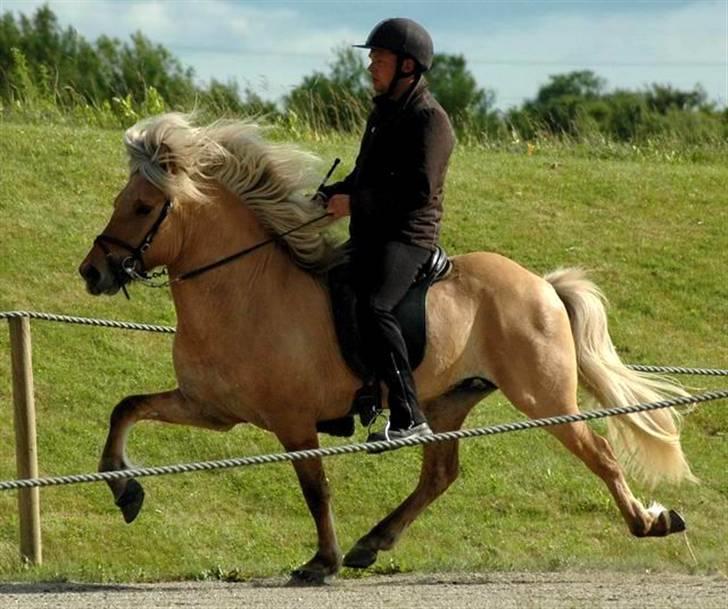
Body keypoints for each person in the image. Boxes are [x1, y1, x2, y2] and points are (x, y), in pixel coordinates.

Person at [319, 17, 455, 442]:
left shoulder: (430, 121)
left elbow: (418, 190)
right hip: (371, 235)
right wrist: (331, 195)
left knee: (376, 305)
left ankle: (408, 413)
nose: (371, 66)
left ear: (407, 67)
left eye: (379, 58)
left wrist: (354, 203)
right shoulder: (383, 114)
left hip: (407, 238)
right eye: (373, 58)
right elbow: (365, 174)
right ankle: (343, 402)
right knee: (327, 286)